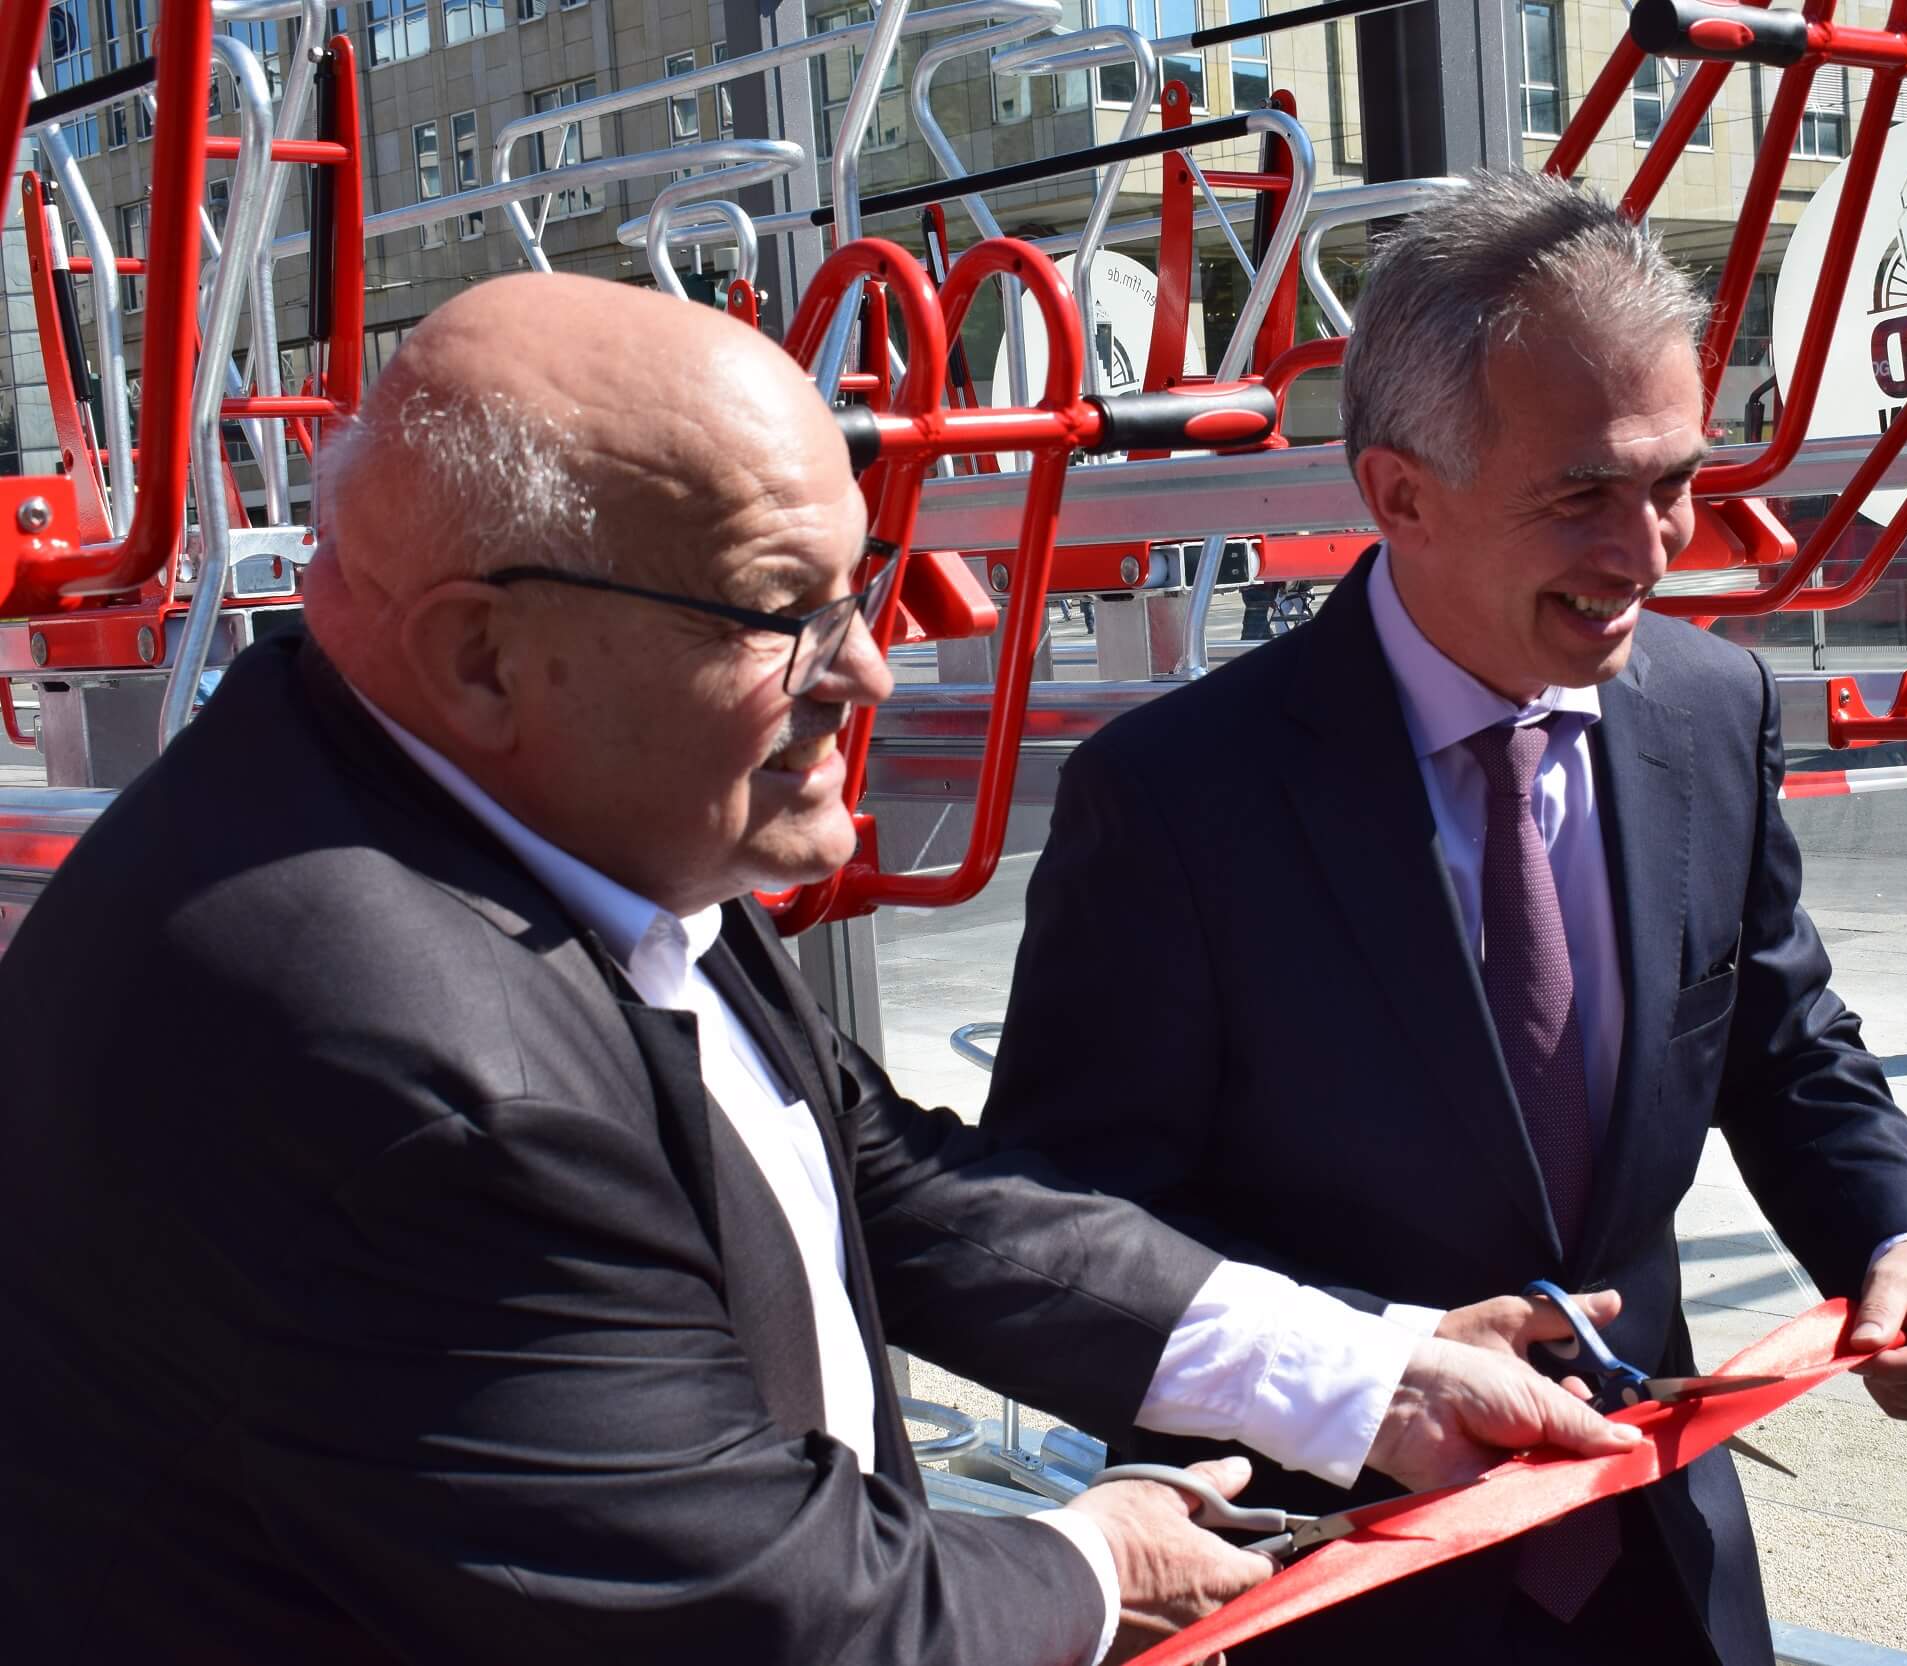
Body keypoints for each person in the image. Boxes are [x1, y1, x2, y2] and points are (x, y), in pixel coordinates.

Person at [0, 272, 1640, 1664]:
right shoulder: (400, 1062)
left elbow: (871, 1167)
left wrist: (1359, 1375)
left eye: (858, 587)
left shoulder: (518, 796)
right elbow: (764, 1619)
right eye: (783, 610)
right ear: (480, 650)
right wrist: (1091, 1561)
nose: (867, 666)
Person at [985, 169, 1907, 1665]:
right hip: (1345, 1587)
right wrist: (1367, 1363)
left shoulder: (1710, 711)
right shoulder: (1178, 800)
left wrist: (1895, 1237)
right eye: (1582, 493)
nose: (1651, 551)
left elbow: (1782, 1042)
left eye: (1675, 480)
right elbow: (1063, 1236)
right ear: (1399, 491)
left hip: (1666, 1568)